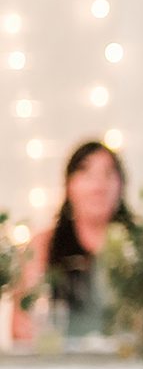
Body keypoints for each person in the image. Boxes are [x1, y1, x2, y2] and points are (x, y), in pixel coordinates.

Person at [13, 140, 134, 338]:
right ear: (69, 185)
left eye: (108, 174)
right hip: (61, 365)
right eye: (86, 173)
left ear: (121, 185)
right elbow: (21, 326)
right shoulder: (43, 245)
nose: (98, 185)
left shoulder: (141, 248)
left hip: (130, 365)